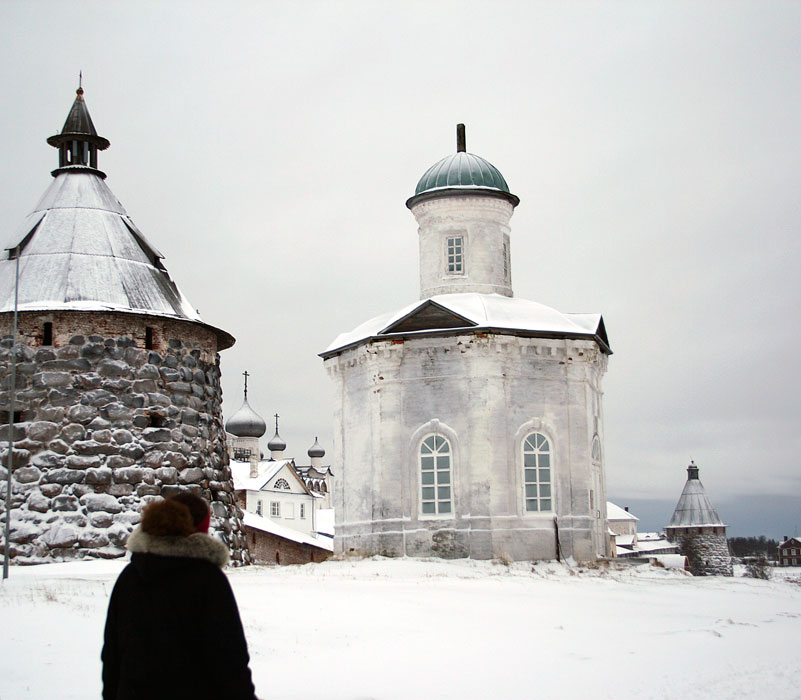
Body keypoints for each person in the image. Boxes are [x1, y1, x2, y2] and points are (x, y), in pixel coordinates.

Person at [102, 492, 257, 700]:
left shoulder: (130, 577)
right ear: (199, 530)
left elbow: (112, 656)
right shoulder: (208, 580)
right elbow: (228, 658)